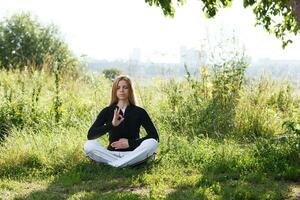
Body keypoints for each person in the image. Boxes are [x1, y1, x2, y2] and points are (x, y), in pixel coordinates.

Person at [83, 75, 159, 168]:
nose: (121, 90)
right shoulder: (107, 111)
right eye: (118, 87)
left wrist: (130, 143)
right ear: (114, 91)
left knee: (152, 143)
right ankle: (125, 164)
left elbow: (154, 136)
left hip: (134, 153)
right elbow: (91, 135)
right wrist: (112, 124)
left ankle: (114, 165)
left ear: (130, 90)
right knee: (89, 145)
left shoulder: (139, 112)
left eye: (125, 87)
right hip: (110, 154)